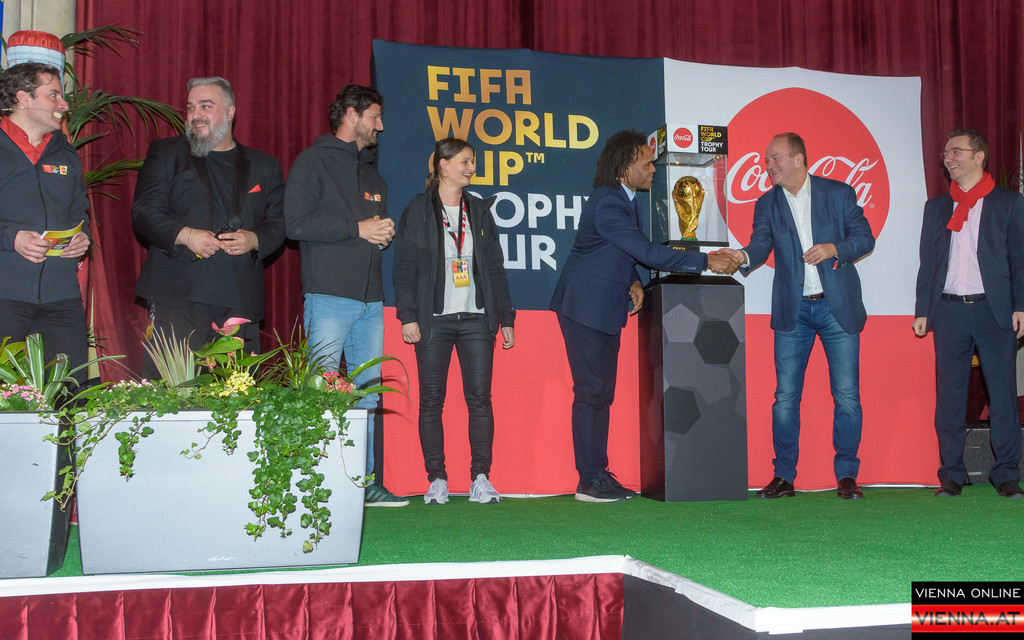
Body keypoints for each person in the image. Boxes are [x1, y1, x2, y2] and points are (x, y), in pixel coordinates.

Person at [549, 129, 741, 503]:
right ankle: (588, 480)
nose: (653, 169)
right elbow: (647, 252)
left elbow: (617, 252)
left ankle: (598, 474)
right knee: (591, 393)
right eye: (647, 163)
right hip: (584, 307)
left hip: (602, 308)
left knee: (601, 393)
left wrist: (633, 281)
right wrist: (706, 260)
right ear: (625, 166)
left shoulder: (627, 200)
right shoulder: (608, 203)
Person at [720, 132, 875, 500]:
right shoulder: (766, 203)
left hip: (837, 307)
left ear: (799, 159)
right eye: (766, 160)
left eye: (775, 158)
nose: (768, 166)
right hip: (794, 311)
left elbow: (865, 238)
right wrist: (742, 256)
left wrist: (834, 247)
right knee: (785, 397)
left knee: (847, 396)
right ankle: (784, 476)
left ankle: (847, 475)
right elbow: (760, 244)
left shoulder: (838, 193)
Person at [284, 84, 406, 507]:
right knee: (320, 391)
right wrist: (358, 229)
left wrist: (382, 233)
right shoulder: (312, 161)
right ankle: (314, 484)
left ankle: (364, 482)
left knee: (367, 395)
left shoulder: (373, 176)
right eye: (375, 117)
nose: (380, 126)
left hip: (371, 301)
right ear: (351, 115)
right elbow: (295, 224)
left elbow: (371, 231)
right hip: (330, 295)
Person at [393, 138, 516, 505]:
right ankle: (437, 479)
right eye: (464, 161)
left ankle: (481, 478)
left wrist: (506, 317)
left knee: (480, 400)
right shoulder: (417, 209)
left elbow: (495, 266)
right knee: (431, 401)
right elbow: (404, 267)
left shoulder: (478, 210)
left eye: (472, 162)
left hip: (477, 319)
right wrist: (408, 316)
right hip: (433, 321)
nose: (471, 168)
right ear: (442, 165)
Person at [133, 77, 285, 363]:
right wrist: (186, 235)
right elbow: (143, 212)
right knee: (173, 389)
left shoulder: (264, 165)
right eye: (191, 108)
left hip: (239, 302)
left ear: (230, 112)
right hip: (177, 299)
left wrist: (254, 239)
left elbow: (279, 224)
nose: (195, 115)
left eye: (205, 106)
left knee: (237, 391)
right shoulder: (166, 153)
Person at [913, 129, 1024, 498]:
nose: (948, 157)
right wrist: (923, 309)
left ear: (979, 156)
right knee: (950, 397)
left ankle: (1006, 474)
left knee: (1003, 396)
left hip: (995, 311)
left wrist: (1021, 305)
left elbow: (1020, 260)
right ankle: (951, 475)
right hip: (948, 312)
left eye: (957, 151)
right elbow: (928, 264)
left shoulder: (1009, 203)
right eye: (946, 152)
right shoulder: (936, 207)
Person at [0, 62, 90, 383]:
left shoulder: (65, 153)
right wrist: (12, 238)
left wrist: (83, 238)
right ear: (24, 98)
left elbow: (80, 210)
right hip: (5, 294)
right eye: (53, 95)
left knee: (70, 391)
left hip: (61, 297)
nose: (63, 105)